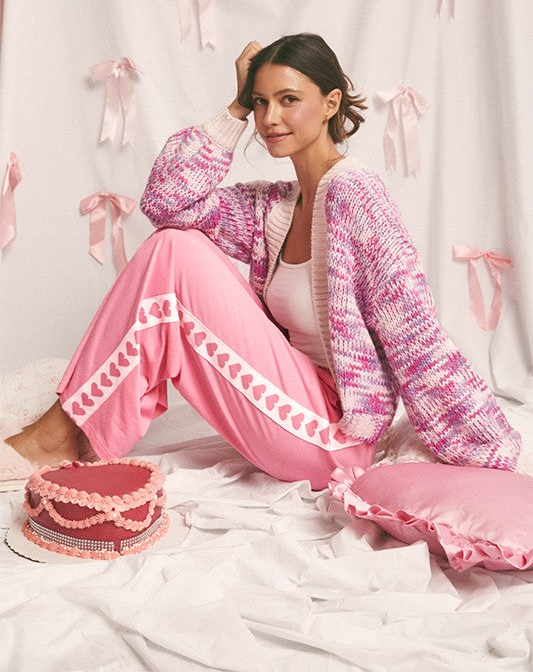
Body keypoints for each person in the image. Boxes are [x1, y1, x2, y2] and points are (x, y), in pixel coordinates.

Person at [4, 33, 521, 490]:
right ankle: (69, 432)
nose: (269, 118)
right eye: (260, 102)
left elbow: (414, 330)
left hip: (334, 437)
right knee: (173, 243)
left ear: (330, 103)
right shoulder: (272, 207)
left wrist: (484, 447)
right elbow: (167, 202)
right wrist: (232, 109)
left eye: (289, 99)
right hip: (291, 401)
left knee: (175, 252)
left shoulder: (356, 197)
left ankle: (56, 437)